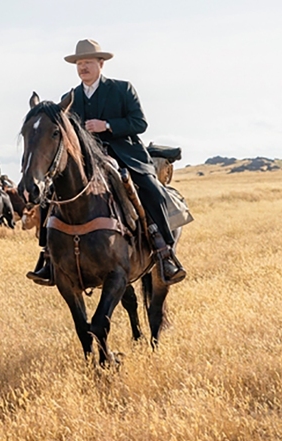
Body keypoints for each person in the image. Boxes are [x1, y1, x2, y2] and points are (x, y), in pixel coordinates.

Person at [27, 39, 186, 286]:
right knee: (50, 197)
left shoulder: (123, 89)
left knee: (152, 191)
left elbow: (140, 123)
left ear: (101, 63)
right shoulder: (69, 98)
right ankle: (47, 258)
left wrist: (107, 126)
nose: (83, 67)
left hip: (125, 156)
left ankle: (165, 252)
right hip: (86, 162)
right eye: (79, 63)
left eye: (88, 62)